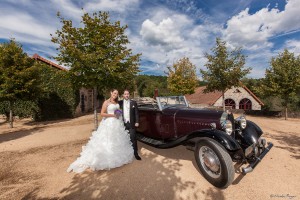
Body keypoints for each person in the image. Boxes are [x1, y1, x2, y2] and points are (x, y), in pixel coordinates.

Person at [67, 89, 134, 173]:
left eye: (117, 94)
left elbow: (118, 111)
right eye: (114, 93)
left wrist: (119, 113)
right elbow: (102, 113)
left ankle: (116, 157)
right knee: (107, 140)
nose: (115, 95)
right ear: (111, 93)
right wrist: (113, 115)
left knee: (116, 140)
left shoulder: (117, 103)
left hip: (117, 124)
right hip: (109, 123)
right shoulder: (106, 102)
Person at [119, 89, 141, 160]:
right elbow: (115, 108)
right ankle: (125, 153)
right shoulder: (120, 103)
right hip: (123, 123)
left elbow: (136, 113)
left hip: (131, 123)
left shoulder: (133, 102)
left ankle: (135, 153)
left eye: (127, 94)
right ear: (123, 95)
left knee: (133, 138)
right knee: (124, 139)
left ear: (129, 95)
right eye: (125, 94)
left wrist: (137, 121)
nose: (126, 95)